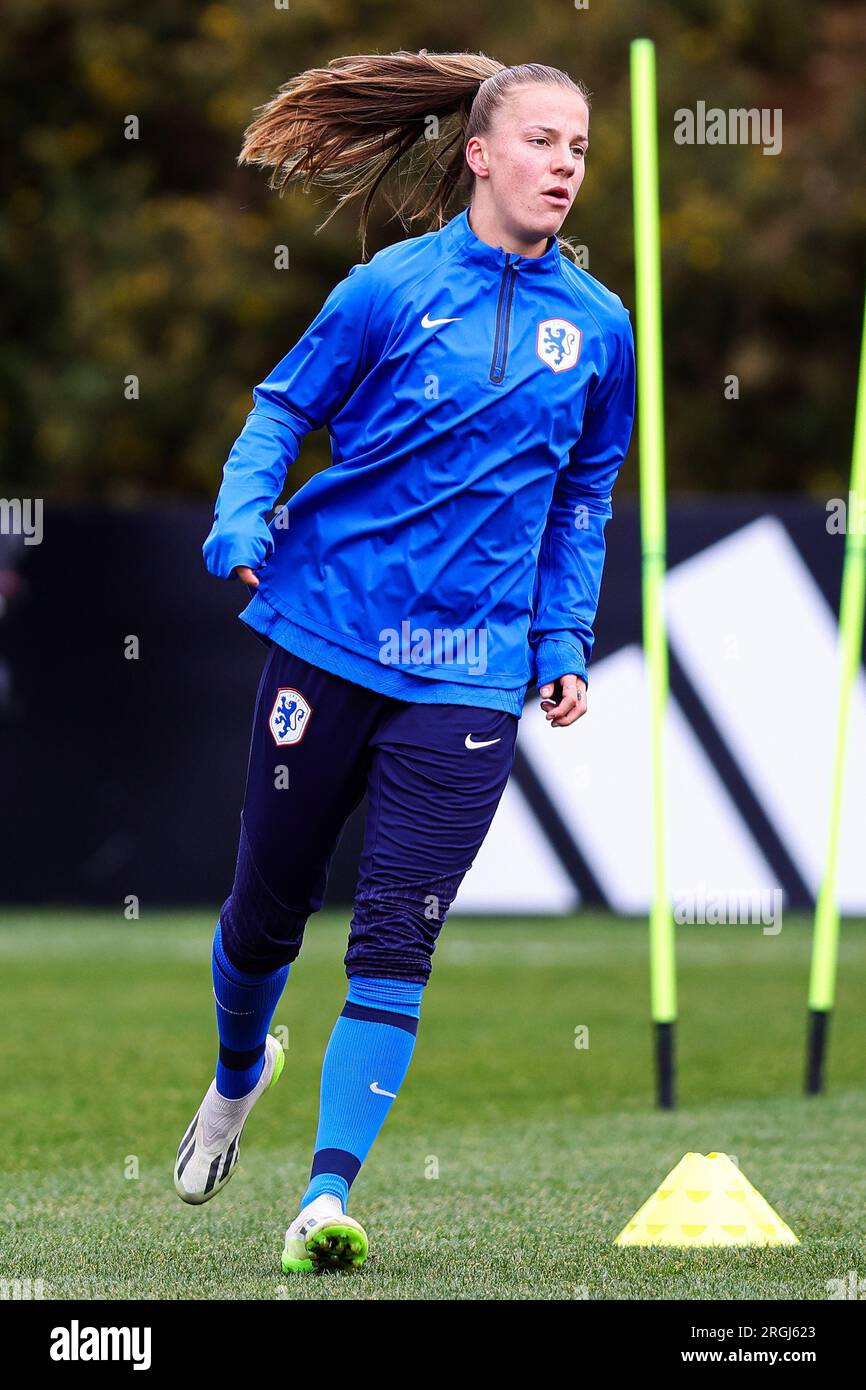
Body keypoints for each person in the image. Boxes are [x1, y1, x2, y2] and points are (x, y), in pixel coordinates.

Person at [174, 49, 636, 1275]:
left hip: (471, 677)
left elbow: (584, 496)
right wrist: (240, 515)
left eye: (580, 150)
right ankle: (231, 1084)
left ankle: (324, 1197)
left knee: (395, 934)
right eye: (542, 142)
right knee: (265, 914)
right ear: (480, 155)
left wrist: (558, 638)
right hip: (326, 634)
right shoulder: (386, 287)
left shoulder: (597, 331)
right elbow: (282, 408)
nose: (564, 167)